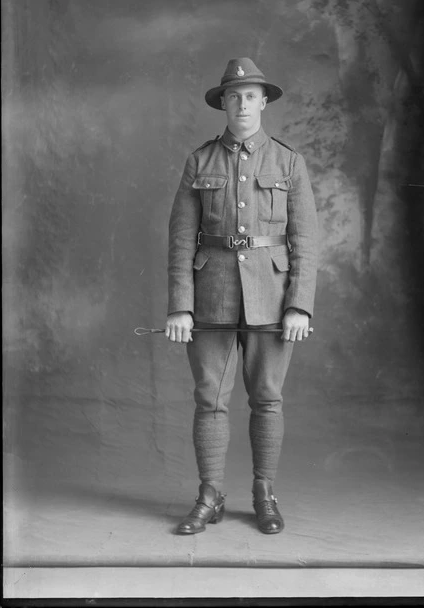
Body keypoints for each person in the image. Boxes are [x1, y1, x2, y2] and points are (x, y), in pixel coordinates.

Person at [166, 57, 318, 535]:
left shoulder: (289, 162)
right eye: (233, 96)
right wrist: (180, 307)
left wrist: (299, 304)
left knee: (267, 399)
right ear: (224, 104)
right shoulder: (200, 161)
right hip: (210, 296)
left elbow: (306, 242)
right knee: (209, 398)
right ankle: (209, 496)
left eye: (250, 95)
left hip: (272, 299)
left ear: (264, 101)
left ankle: (263, 494)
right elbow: (180, 239)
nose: (242, 104)